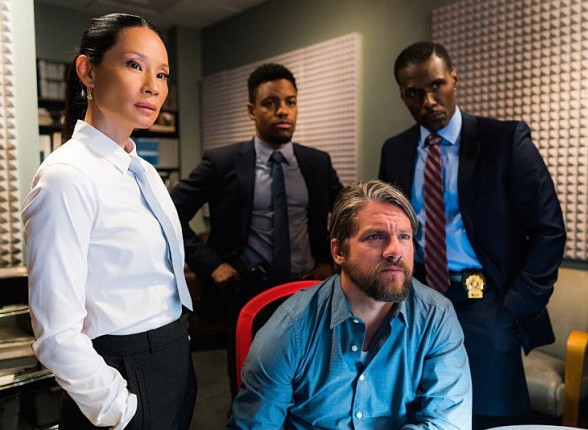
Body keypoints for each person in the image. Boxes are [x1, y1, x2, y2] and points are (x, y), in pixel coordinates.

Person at [378, 41, 566, 429]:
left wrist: (513, 308)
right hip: (417, 298)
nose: (428, 101)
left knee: (491, 416)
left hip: (487, 301)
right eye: (414, 93)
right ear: (402, 96)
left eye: (437, 85)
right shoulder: (395, 150)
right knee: (418, 410)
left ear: (454, 79)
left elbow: (548, 230)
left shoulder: (505, 140)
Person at [22, 13, 196, 429]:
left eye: (162, 74)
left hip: (174, 359)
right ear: (88, 71)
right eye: (135, 65)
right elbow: (56, 334)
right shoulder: (66, 178)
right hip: (123, 375)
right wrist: (120, 410)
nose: (153, 86)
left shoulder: (144, 171)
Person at [227, 180, 472, 429]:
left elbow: (447, 422)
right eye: (375, 237)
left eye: (404, 236)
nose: (395, 250)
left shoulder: (436, 317)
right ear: (338, 252)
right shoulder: (291, 328)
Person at [170, 63, 343, 397]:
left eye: (291, 102)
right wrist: (211, 263)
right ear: (252, 110)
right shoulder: (222, 162)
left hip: (308, 291)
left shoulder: (317, 163)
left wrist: (331, 261)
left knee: (310, 386)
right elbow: (170, 212)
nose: (283, 111)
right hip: (248, 293)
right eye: (270, 103)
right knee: (251, 387)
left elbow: (347, 214)